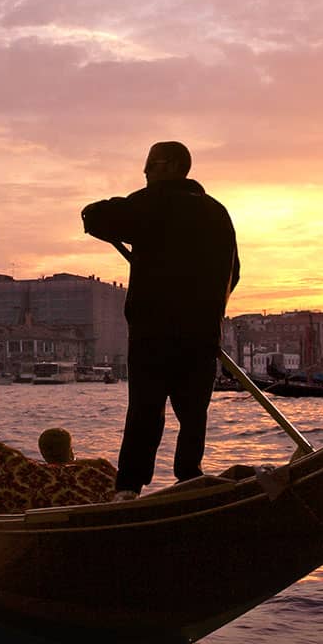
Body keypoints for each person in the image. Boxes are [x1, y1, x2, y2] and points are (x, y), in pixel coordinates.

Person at [81, 141, 239, 496]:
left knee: (145, 410)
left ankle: (129, 487)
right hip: (202, 332)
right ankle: (190, 475)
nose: (145, 173)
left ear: (166, 167)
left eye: (149, 167)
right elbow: (235, 273)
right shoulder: (219, 214)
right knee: (193, 412)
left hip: (154, 329)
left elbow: (96, 217)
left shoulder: (154, 202)